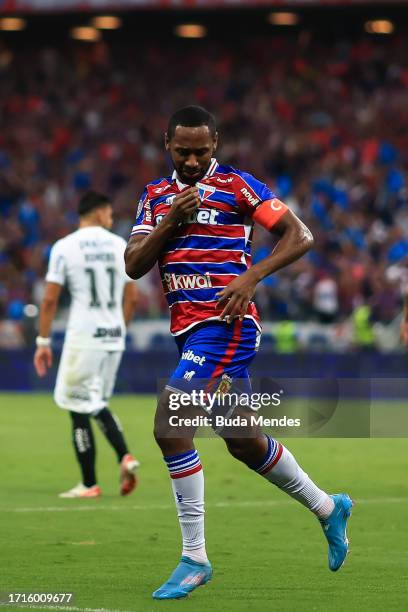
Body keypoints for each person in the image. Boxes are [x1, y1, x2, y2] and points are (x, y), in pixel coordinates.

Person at [125, 106, 353, 600]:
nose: (191, 160)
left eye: (201, 151)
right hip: (188, 331)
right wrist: (168, 223)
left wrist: (252, 275)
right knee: (243, 440)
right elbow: (134, 264)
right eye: (182, 151)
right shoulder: (155, 197)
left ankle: (195, 558)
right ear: (167, 144)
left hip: (225, 325)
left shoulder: (237, 186)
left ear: (216, 144)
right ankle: (328, 508)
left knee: (170, 423)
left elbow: (300, 235)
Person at [34, 191, 140, 499]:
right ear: (97, 213)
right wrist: (119, 330)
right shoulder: (121, 246)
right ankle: (96, 477)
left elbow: (50, 298)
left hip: (84, 336)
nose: (111, 218)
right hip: (113, 336)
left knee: (77, 403)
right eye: (108, 212)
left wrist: (43, 341)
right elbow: (132, 297)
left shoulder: (65, 247)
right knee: (91, 402)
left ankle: (117, 460)